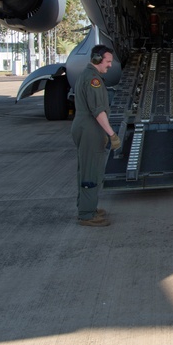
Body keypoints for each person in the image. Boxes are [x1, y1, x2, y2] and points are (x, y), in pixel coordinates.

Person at [72, 44, 121, 227]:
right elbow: (98, 111)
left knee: (85, 168)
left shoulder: (87, 75)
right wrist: (112, 134)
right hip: (90, 129)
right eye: (107, 61)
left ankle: (87, 207)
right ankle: (87, 215)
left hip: (85, 128)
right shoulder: (94, 80)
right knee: (91, 170)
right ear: (97, 60)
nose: (109, 65)